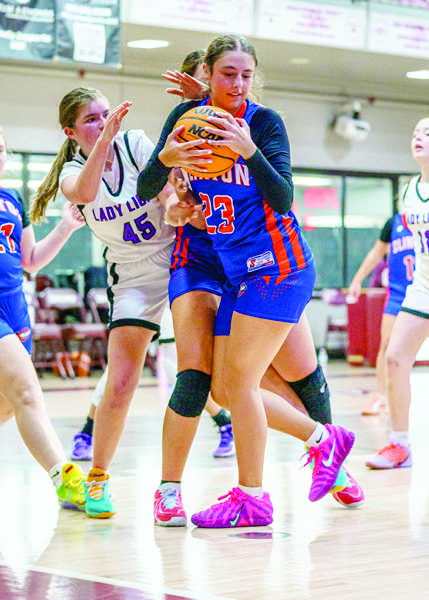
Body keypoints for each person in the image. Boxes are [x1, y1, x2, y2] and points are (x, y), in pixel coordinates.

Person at [137, 34, 356, 528]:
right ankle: (323, 443)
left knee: (256, 381)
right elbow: (148, 186)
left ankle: (258, 494)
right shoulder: (187, 121)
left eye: (246, 75)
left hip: (278, 266)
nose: (237, 83)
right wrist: (167, 160)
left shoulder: (264, 122)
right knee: (226, 386)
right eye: (227, 74)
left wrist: (249, 151)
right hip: (235, 272)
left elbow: (283, 198)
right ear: (208, 74)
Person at [31, 87, 177, 518]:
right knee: (121, 381)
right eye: (91, 120)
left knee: (209, 373)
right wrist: (103, 141)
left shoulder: (136, 144)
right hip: (132, 277)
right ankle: (97, 479)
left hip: (180, 260)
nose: (103, 123)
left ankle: (177, 486)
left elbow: (167, 194)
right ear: (70, 132)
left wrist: (177, 206)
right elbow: (84, 192)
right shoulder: (72, 171)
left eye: (106, 114)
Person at [0, 126, 87, 511]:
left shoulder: (12, 198)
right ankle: (64, 478)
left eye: (1, 148)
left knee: (9, 403)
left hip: (14, 307)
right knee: (26, 391)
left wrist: (66, 226)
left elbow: (31, 261)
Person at [366, 117, 429, 469]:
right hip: (422, 287)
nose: (418, 138)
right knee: (394, 357)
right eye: (415, 132)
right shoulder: (408, 192)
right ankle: (399, 444)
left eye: (427, 133)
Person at [348, 214, 415, 415]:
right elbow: (376, 253)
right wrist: (357, 279)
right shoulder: (393, 223)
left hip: (423, 292)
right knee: (386, 344)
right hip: (398, 294)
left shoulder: (424, 221)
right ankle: (380, 396)